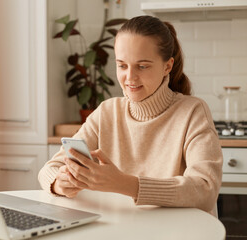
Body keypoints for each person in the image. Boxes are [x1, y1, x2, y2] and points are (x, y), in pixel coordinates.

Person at [38, 15, 222, 216]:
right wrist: (59, 182)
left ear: (167, 66)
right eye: (122, 65)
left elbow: (205, 190)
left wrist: (125, 184)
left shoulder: (193, 112)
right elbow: (50, 168)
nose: (130, 77)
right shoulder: (107, 112)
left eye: (142, 66)